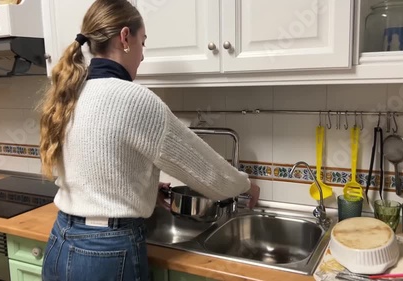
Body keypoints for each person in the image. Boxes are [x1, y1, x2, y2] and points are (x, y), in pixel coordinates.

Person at [37, 0, 260, 280]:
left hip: (60, 241)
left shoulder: (69, 94)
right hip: (106, 253)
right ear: (125, 38)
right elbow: (209, 174)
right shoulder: (137, 101)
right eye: (143, 43)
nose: (142, 56)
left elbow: (92, 171)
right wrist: (245, 185)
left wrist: (144, 188)